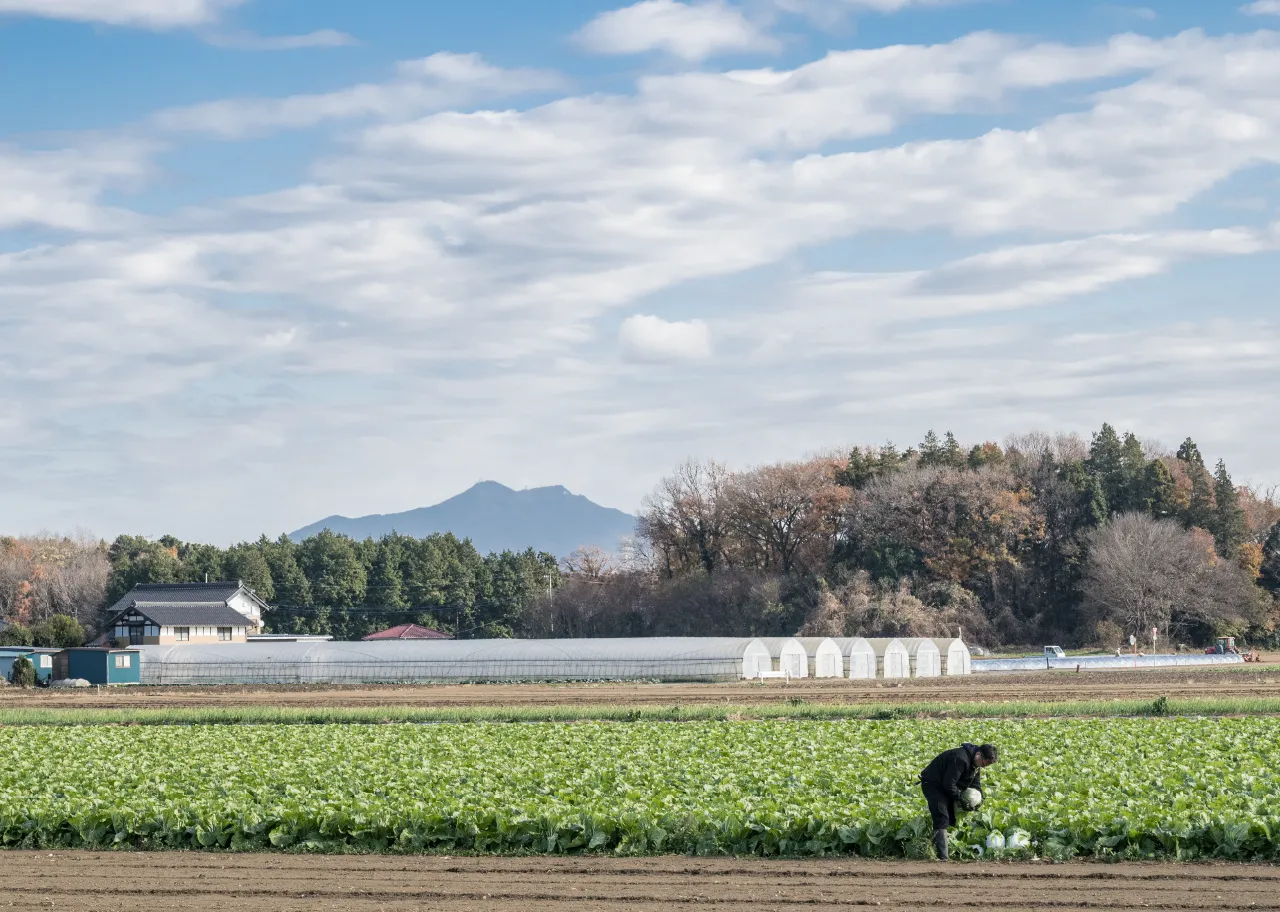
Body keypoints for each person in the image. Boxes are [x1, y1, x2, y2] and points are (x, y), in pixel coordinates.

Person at [919, 742, 998, 861]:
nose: (983, 767)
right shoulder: (960, 759)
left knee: (951, 817)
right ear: (978, 755)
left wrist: (980, 801)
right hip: (933, 784)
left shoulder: (976, 766)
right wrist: (961, 799)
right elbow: (949, 784)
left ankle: (936, 848)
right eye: (984, 764)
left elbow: (976, 785)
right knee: (942, 816)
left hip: (945, 786)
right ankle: (943, 857)